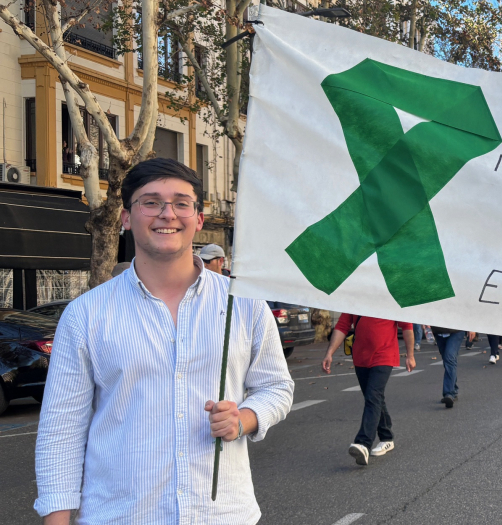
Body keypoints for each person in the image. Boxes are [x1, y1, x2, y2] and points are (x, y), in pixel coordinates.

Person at [34, 158, 295, 523]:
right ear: (126, 217)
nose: (167, 214)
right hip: (120, 515)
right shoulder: (86, 315)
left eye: (181, 203)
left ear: (199, 218)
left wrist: (245, 419)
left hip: (222, 514)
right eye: (151, 202)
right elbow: (62, 427)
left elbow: (277, 387)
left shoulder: (245, 304)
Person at [321, 314, 415, 466]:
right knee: (374, 398)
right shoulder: (355, 299)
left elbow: (407, 326)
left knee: (373, 396)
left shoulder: (391, 297)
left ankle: (363, 444)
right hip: (360, 357)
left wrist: (410, 355)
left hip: (384, 355)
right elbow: (342, 326)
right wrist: (329, 353)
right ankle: (386, 437)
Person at [432, 326, 474, 408]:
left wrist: (471, 327)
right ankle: (453, 389)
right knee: (447, 359)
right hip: (438, 331)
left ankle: (449, 393)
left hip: (456, 330)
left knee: (450, 357)